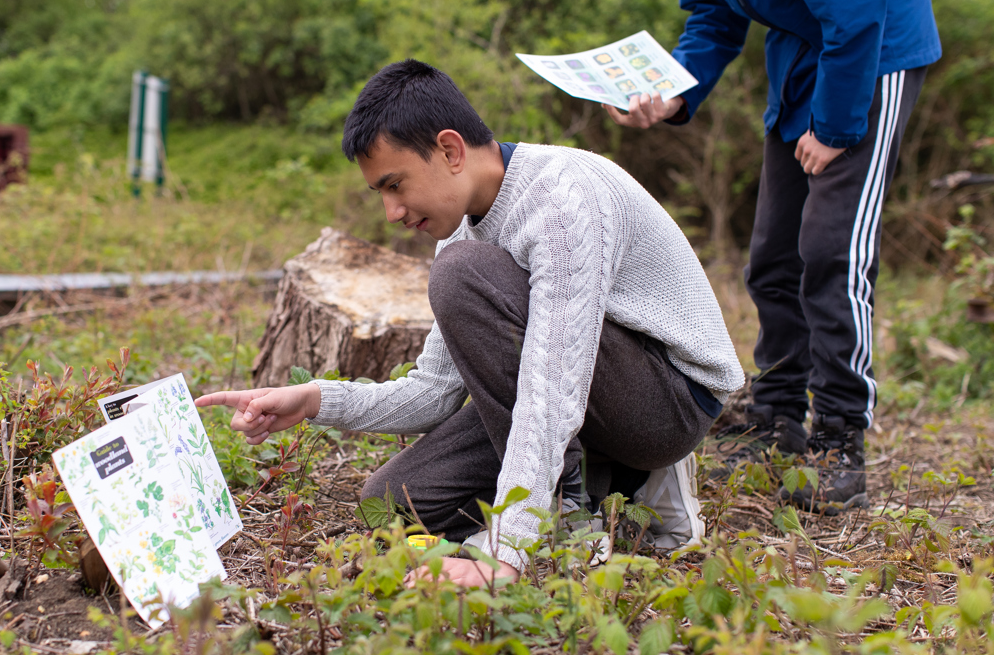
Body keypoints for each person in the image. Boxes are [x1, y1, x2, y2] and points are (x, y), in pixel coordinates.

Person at [198, 60, 744, 586]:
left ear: (450, 150)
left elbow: (552, 388)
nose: (391, 212)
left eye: (395, 185)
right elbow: (434, 392)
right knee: (393, 502)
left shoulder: (563, 200)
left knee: (462, 275)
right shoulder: (462, 232)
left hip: (667, 403)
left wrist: (510, 548)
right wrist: (315, 399)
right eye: (381, 193)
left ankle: (570, 511)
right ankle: (611, 480)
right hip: (581, 399)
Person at [611, 0, 941, 513]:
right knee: (772, 256)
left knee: (830, 250)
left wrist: (837, 125)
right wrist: (672, 96)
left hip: (872, 49)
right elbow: (714, 13)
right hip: (802, 58)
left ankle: (840, 437)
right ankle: (778, 417)